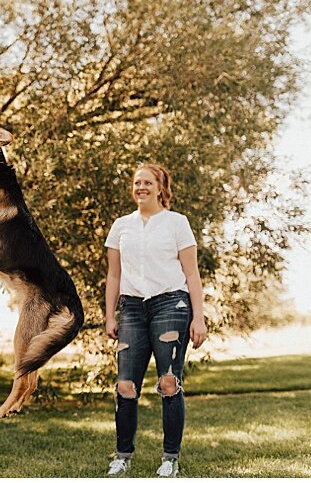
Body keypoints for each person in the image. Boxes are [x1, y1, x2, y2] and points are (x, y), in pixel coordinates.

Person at [103, 163, 208, 477]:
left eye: (148, 182)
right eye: (137, 182)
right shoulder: (121, 226)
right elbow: (113, 274)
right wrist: (109, 315)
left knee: (169, 382)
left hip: (171, 306)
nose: (141, 188)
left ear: (161, 188)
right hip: (132, 308)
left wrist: (199, 317)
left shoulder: (177, 223)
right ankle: (122, 456)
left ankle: (170, 458)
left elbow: (192, 273)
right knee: (125, 385)